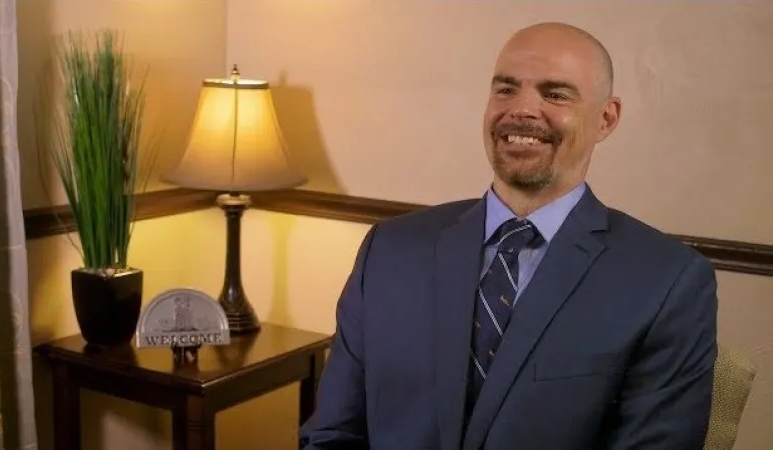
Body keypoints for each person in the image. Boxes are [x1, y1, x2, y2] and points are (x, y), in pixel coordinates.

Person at [299, 21, 717, 450]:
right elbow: (332, 433)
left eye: (555, 94)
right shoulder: (389, 250)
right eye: (506, 89)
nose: (522, 110)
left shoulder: (667, 282)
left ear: (605, 119)